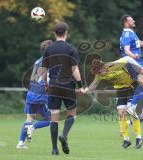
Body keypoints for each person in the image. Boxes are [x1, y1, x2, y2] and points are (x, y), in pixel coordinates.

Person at [41, 22, 85, 155]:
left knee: (54, 116)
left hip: (53, 85)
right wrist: (81, 86)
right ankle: (64, 135)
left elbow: (43, 70)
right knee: (72, 113)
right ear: (66, 33)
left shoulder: (48, 49)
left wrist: (46, 84)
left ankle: (54, 149)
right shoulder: (71, 49)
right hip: (67, 85)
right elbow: (74, 69)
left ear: (55, 33)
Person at [84, 56, 143, 149]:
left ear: (103, 67)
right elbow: (94, 84)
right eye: (98, 73)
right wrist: (86, 90)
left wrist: (139, 67)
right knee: (121, 113)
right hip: (120, 90)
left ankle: (139, 137)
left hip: (131, 87)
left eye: (100, 72)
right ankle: (126, 140)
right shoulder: (99, 74)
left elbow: (128, 58)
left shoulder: (114, 64)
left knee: (131, 111)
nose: (100, 74)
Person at [16, 40, 53, 149]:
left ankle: (20, 143)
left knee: (29, 118)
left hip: (31, 93)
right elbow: (46, 77)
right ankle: (32, 128)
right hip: (40, 94)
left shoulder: (38, 61)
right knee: (50, 119)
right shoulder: (49, 62)